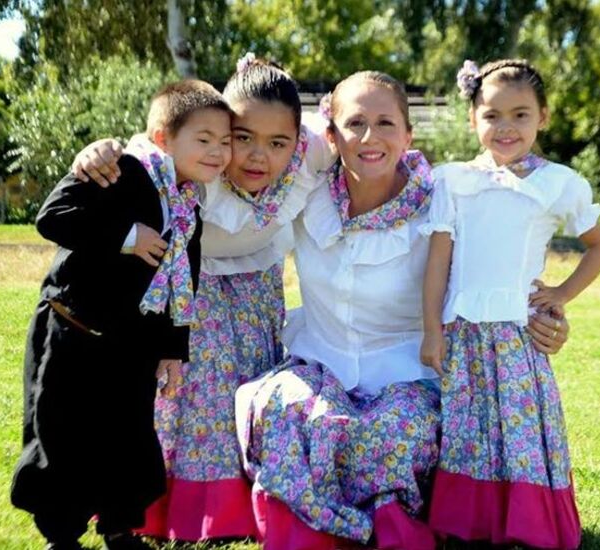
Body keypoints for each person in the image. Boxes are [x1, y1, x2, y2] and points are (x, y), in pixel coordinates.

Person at [234, 70, 572, 550]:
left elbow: (499, 276)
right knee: (284, 410)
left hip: (409, 373)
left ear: (408, 136)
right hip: (320, 362)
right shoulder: (305, 195)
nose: (370, 137)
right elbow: (230, 163)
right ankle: (302, 524)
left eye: (386, 123)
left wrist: (549, 319)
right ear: (332, 136)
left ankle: (386, 522)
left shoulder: (443, 205)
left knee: (394, 432)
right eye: (355, 124)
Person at [72, 55, 335, 542]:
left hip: (259, 282)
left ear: (297, 139)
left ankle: (247, 496)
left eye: (277, 143)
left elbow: (364, 140)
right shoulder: (200, 162)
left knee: (249, 381)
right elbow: (146, 150)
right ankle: (167, 502)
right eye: (241, 137)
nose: (257, 156)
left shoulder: (311, 151)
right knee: (195, 386)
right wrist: (99, 151)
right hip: (194, 281)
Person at [10, 80, 231, 550]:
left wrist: (172, 350)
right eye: (205, 139)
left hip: (133, 344)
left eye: (225, 141)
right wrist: (128, 236)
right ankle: (61, 535)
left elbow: (183, 281)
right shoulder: (121, 169)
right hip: (74, 330)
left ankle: (120, 528)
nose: (218, 151)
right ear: (162, 138)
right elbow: (53, 216)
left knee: (129, 440)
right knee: (63, 433)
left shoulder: (188, 203)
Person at [420, 59, 600, 549]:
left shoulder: (558, 183)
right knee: (470, 431)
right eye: (492, 115)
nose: (505, 127)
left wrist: (561, 293)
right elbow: (438, 260)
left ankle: (528, 522)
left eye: (520, 115)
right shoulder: (452, 181)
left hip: (517, 335)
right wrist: (431, 329)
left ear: (543, 117)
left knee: (521, 432)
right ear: (473, 120)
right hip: (462, 332)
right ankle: (472, 521)